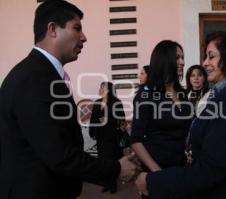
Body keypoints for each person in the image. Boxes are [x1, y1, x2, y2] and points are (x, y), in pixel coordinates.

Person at [0, 1, 136, 199]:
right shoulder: (34, 78)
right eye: (77, 28)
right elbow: (58, 154)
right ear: (53, 29)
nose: (84, 37)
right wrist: (115, 168)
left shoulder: (41, 73)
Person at [135, 30, 226, 199]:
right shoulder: (223, 95)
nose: (204, 63)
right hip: (180, 175)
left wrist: (154, 181)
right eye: (206, 57)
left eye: (211, 56)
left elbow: (210, 169)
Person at [130, 40, 193, 198]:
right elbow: (136, 140)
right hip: (158, 169)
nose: (182, 62)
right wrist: (157, 173)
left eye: (182, 57)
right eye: (177, 57)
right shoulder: (146, 95)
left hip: (183, 169)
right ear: (164, 60)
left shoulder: (183, 94)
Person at [89, 81, 125, 194]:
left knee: (112, 160)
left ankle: (113, 184)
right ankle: (106, 183)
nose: (99, 90)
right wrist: (93, 132)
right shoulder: (97, 103)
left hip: (112, 137)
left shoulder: (116, 103)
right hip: (101, 136)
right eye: (99, 87)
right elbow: (93, 119)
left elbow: (121, 119)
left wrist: (108, 120)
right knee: (102, 160)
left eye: (102, 88)